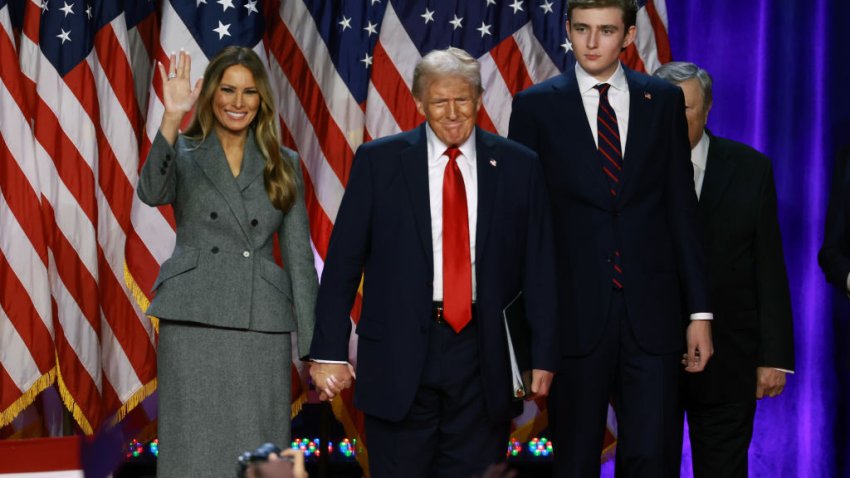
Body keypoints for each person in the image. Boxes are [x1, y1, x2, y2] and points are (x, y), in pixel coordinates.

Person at [308, 47, 558, 478]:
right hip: (398, 353)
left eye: (463, 99)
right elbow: (343, 263)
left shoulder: (520, 165)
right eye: (440, 101)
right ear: (420, 103)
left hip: (485, 355)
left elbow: (539, 267)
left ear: (479, 100)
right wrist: (328, 350)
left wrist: (543, 354)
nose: (453, 112)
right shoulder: (379, 161)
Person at [508, 1, 714, 476]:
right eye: (582, 29)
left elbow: (682, 211)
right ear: (568, 30)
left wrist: (699, 313)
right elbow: (525, 229)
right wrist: (529, 333)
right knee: (574, 460)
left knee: (652, 458)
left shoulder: (660, 101)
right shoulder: (536, 106)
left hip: (653, 317)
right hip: (574, 318)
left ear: (628, 35)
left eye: (605, 30)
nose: (592, 42)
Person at [136, 46, 317, 476]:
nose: (238, 102)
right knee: (192, 452)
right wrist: (171, 116)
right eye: (228, 90)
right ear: (210, 94)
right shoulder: (182, 151)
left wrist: (316, 349)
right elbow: (151, 192)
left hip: (261, 325)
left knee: (261, 451)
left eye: (249, 92)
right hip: (194, 321)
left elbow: (299, 259)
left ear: (262, 100)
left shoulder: (284, 162)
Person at [653, 61, 795, 478]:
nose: (675, 121)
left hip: (729, 359)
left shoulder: (750, 168)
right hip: (649, 360)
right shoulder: (629, 172)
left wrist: (775, 356)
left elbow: (768, 265)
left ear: (708, 108)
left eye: (687, 109)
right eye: (666, 109)